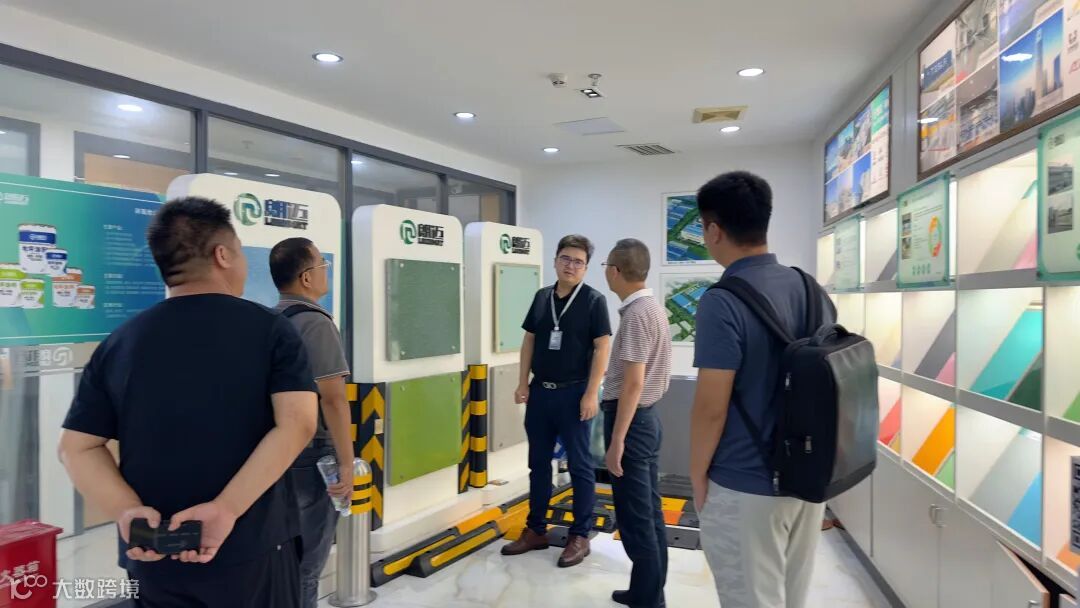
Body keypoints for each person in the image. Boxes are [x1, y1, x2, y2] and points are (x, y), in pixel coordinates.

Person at [58, 197, 318, 608]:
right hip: (251, 551)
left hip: (152, 554)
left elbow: (77, 447)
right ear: (222, 255)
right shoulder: (270, 330)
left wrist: (127, 512)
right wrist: (225, 509)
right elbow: (298, 423)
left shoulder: (121, 342)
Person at [689, 171, 836, 608]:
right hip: (807, 479)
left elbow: (711, 408)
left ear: (715, 231)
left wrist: (697, 475)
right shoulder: (811, 289)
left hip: (745, 485)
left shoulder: (722, 301)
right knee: (791, 599)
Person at [502, 234, 612, 568]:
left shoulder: (593, 301)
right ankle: (536, 530)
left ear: (586, 268)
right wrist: (522, 382)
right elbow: (529, 340)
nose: (570, 266)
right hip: (540, 393)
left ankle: (580, 535)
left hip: (575, 394)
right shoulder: (541, 297)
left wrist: (591, 393)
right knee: (537, 463)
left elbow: (602, 347)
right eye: (565, 258)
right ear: (555, 261)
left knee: (580, 466)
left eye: (578, 262)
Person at [269, 237, 353, 608]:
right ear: (306, 277)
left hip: (278, 451)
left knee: (284, 556)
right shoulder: (317, 324)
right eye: (322, 264)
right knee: (308, 563)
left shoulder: (270, 320)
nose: (325, 271)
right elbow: (333, 399)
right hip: (313, 454)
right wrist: (347, 463)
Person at [600, 239, 672, 608]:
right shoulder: (651, 309)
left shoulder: (637, 315)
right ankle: (647, 591)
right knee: (649, 513)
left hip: (632, 422)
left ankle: (649, 600)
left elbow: (633, 384)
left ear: (615, 271)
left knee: (636, 518)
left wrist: (617, 441)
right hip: (645, 419)